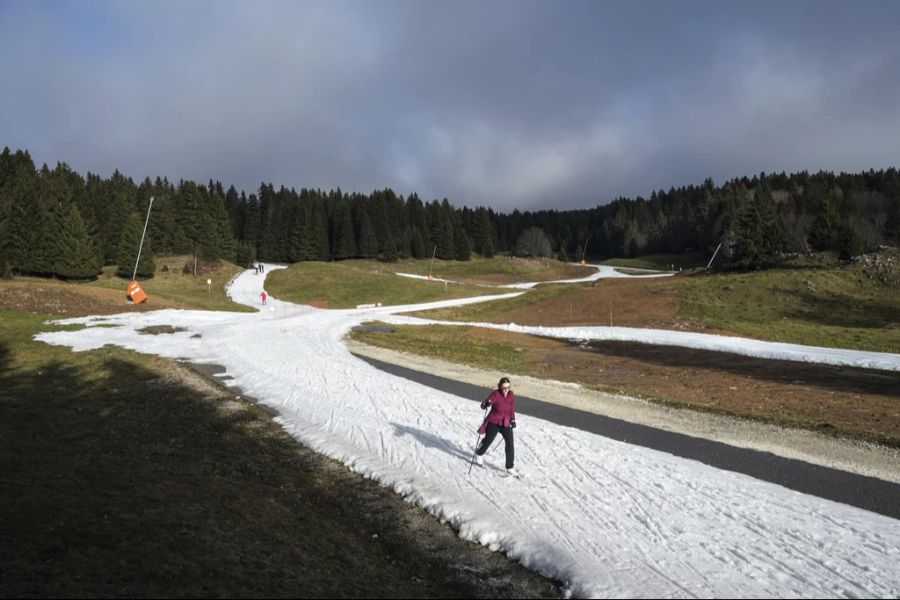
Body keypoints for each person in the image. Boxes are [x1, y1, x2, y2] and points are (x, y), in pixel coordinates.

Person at [473, 377, 518, 477]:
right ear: (500, 387)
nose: (506, 390)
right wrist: (486, 404)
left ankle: (509, 467)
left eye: (508, 387)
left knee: (510, 444)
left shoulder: (511, 395)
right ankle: (479, 453)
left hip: (506, 422)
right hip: (494, 421)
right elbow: (485, 403)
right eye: (504, 388)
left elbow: (512, 408)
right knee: (488, 440)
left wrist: (513, 419)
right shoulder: (496, 394)